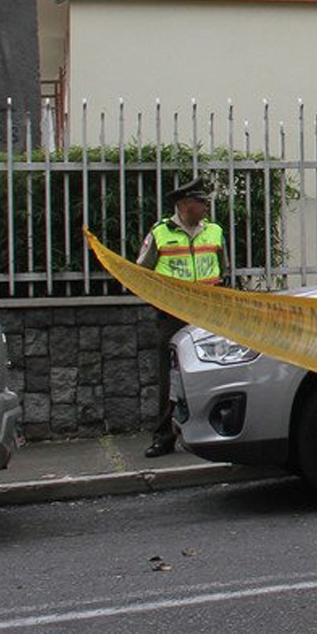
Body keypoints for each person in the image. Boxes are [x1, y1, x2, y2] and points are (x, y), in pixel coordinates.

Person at [137, 177, 226, 458]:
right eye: (201, 203)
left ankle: (216, 428)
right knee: (170, 377)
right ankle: (163, 436)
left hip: (208, 314)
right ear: (185, 205)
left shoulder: (214, 231)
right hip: (173, 316)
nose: (206, 207)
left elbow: (222, 269)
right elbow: (143, 272)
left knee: (213, 371)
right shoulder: (161, 233)